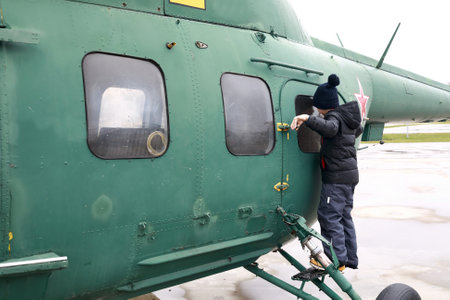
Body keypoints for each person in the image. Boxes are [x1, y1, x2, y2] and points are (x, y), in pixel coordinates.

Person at [290, 74, 363, 271]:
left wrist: (307, 118)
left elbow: (329, 129)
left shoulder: (334, 118)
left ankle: (335, 260)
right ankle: (349, 258)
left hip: (337, 178)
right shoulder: (347, 119)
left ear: (324, 105)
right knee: (344, 216)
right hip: (349, 177)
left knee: (329, 216)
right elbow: (357, 129)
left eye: (317, 106)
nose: (315, 109)